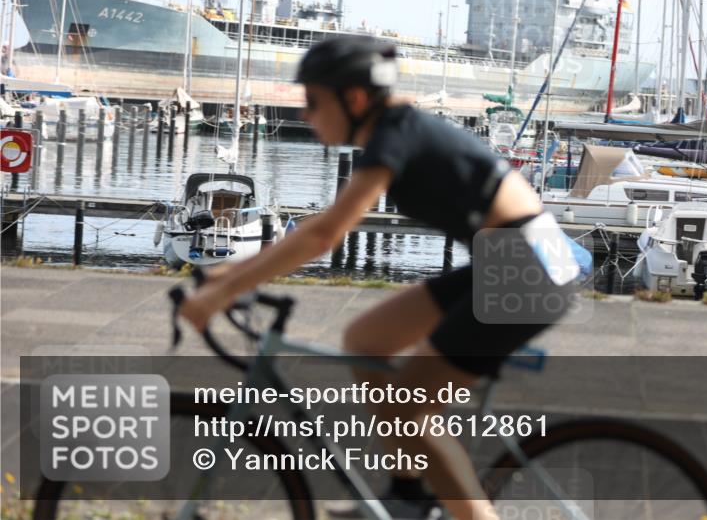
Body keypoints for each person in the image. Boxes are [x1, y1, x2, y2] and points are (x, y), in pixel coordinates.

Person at [179, 36, 587, 520]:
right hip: (517, 259)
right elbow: (322, 229)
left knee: (409, 408)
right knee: (366, 339)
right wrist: (231, 272)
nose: (305, 114)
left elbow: (325, 233)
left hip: (526, 270)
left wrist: (226, 289)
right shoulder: (396, 130)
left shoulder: (394, 136)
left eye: (313, 101)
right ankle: (407, 496)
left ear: (354, 99)